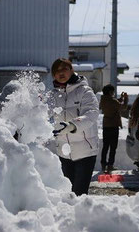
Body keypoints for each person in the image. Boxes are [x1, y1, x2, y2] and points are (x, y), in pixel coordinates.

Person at [50, 58, 99, 196]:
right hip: (64, 152)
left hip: (85, 152)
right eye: (57, 70)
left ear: (71, 70)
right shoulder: (53, 95)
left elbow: (92, 113)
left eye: (64, 68)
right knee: (67, 193)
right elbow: (45, 116)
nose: (60, 73)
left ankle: (80, 217)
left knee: (79, 193)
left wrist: (72, 125)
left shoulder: (84, 91)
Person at [99, 84, 129, 173]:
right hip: (113, 127)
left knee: (105, 147)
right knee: (113, 147)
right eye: (113, 91)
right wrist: (126, 99)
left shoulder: (103, 100)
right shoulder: (113, 101)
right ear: (110, 92)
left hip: (106, 126)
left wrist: (120, 98)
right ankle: (110, 165)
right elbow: (123, 107)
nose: (113, 93)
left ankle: (103, 165)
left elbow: (115, 103)